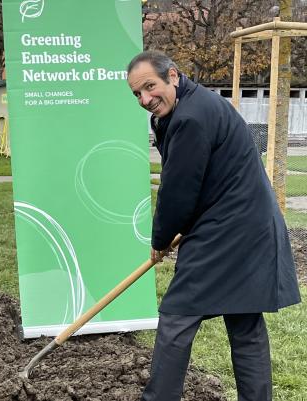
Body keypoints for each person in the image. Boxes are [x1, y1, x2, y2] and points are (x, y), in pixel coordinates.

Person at [126, 50, 301, 401]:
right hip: (250, 224)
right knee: (245, 322)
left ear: (172, 76)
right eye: (137, 94)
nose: (145, 99)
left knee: (178, 316)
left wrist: (160, 239)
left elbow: (177, 191)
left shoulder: (192, 117)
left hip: (230, 229)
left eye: (150, 87)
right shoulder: (193, 106)